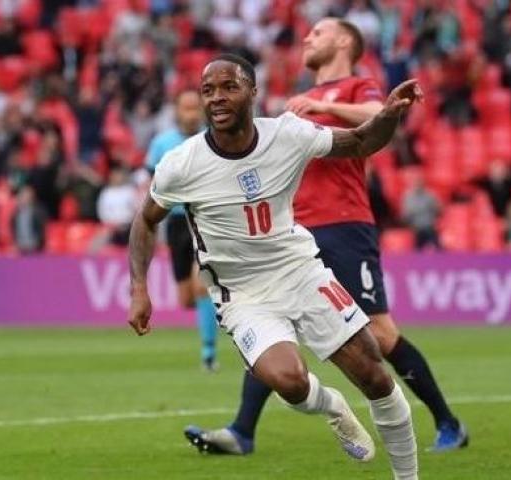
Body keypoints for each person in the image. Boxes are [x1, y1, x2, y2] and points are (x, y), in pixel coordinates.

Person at [128, 53, 422, 479]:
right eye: (208, 90)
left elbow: (360, 141)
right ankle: (333, 406)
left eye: (228, 86)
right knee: (290, 380)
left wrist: (391, 113)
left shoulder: (287, 135)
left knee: (374, 376)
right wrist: (139, 287)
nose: (217, 98)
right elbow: (144, 220)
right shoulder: (182, 163)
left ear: (252, 91)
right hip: (243, 295)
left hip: (300, 273)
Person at [184, 18, 467, 454]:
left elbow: (378, 119)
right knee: (268, 320)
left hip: (344, 224)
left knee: (380, 332)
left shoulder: (358, 86)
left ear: (343, 41)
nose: (307, 38)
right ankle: (243, 431)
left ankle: (449, 423)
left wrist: (324, 108)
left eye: (318, 33)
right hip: (294, 229)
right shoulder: (299, 100)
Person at [144, 89, 219, 371]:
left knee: (201, 287)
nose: (191, 114)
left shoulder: (212, 139)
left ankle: (208, 354)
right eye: (185, 108)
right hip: (175, 221)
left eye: (195, 108)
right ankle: (223, 315)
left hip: (204, 217)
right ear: (176, 111)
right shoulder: (162, 143)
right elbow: (151, 183)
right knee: (186, 297)